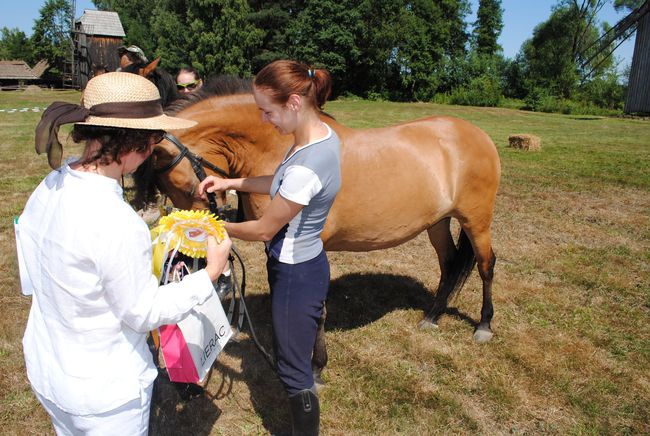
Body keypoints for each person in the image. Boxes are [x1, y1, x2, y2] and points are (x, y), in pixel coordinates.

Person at [21, 72, 232, 435]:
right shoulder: (116, 222)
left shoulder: (51, 183)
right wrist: (209, 274)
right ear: (137, 144)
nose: (153, 150)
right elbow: (142, 312)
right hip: (105, 395)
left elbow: (32, 268)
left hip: (47, 367)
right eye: (154, 139)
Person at [198, 60, 340, 436]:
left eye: (268, 111)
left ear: (294, 103)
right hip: (304, 263)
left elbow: (263, 229)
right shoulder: (319, 137)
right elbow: (279, 182)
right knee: (291, 356)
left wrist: (211, 225)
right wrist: (230, 182)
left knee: (294, 371)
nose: (264, 119)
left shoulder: (307, 165)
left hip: (295, 273)